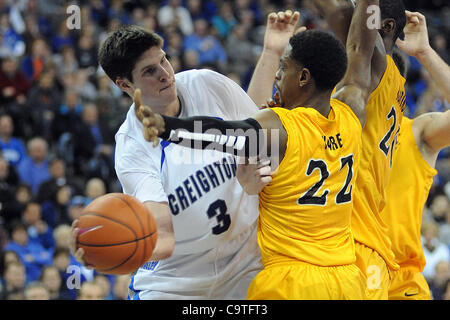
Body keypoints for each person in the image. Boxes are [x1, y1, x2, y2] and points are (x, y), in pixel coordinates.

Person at [135, 0, 379, 299]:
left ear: (303, 78)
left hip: (291, 281)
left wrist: (167, 126)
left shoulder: (282, 126)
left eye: (283, 68)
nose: (277, 75)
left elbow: (224, 133)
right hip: (347, 279)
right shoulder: (352, 110)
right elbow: (361, 52)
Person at [71, 21, 268, 299]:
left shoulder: (207, 83)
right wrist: (102, 250)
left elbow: (258, 130)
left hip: (246, 258)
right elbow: (162, 236)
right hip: (177, 275)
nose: (165, 74)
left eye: (164, 61)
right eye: (150, 71)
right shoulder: (131, 148)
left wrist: (271, 52)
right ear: (124, 84)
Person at [249, 0, 407, 299]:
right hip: (355, 245)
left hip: (348, 246)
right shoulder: (392, 86)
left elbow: (343, 15)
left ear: (383, 26)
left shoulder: (374, 68)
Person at [378, 11, 450, 300]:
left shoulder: (417, 132)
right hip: (344, 272)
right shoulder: (334, 131)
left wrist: (425, 53)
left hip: (400, 279)